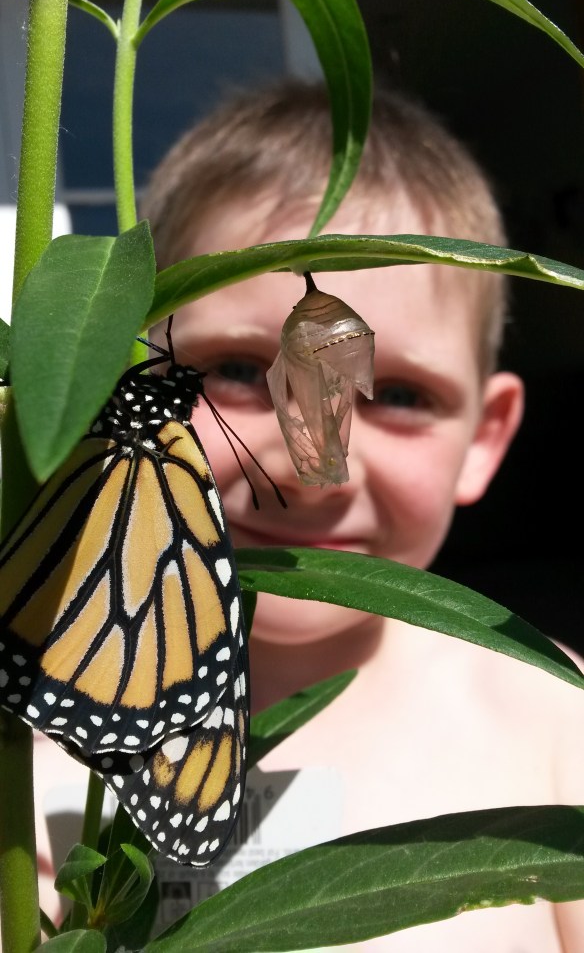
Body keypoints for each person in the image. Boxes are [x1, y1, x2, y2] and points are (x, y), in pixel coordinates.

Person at [30, 79, 584, 950]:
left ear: (487, 434)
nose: (316, 464)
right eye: (243, 372)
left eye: (394, 393)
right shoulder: (22, 744)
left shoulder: (561, 727)